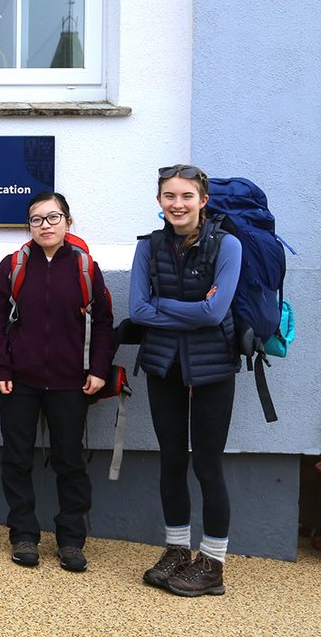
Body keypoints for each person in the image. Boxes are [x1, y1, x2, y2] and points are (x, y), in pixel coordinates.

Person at [0, 192, 114, 572]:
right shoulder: (13, 266)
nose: (45, 225)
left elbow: (103, 324)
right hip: (18, 382)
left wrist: (99, 370)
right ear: (29, 226)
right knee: (18, 459)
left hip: (72, 383)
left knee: (70, 461)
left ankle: (71, 540)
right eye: (37, 219)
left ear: (69, 223)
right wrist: (2, 369)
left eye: (53, 218)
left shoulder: (87, 268)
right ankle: (24, 534)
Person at [129, 164, 241, 596]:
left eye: (186, 196)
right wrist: (190, 310)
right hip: (164, 365)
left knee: (208, 464)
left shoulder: (228, 245)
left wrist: (162, 303)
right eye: (169, 196)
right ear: (159, 201)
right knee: (172, 458)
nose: (178, 204)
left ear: (203, 200)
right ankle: (177, 550)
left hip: (213, 367)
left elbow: (215, 313)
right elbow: (137, 311)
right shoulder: (148, 247)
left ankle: (212, 563)